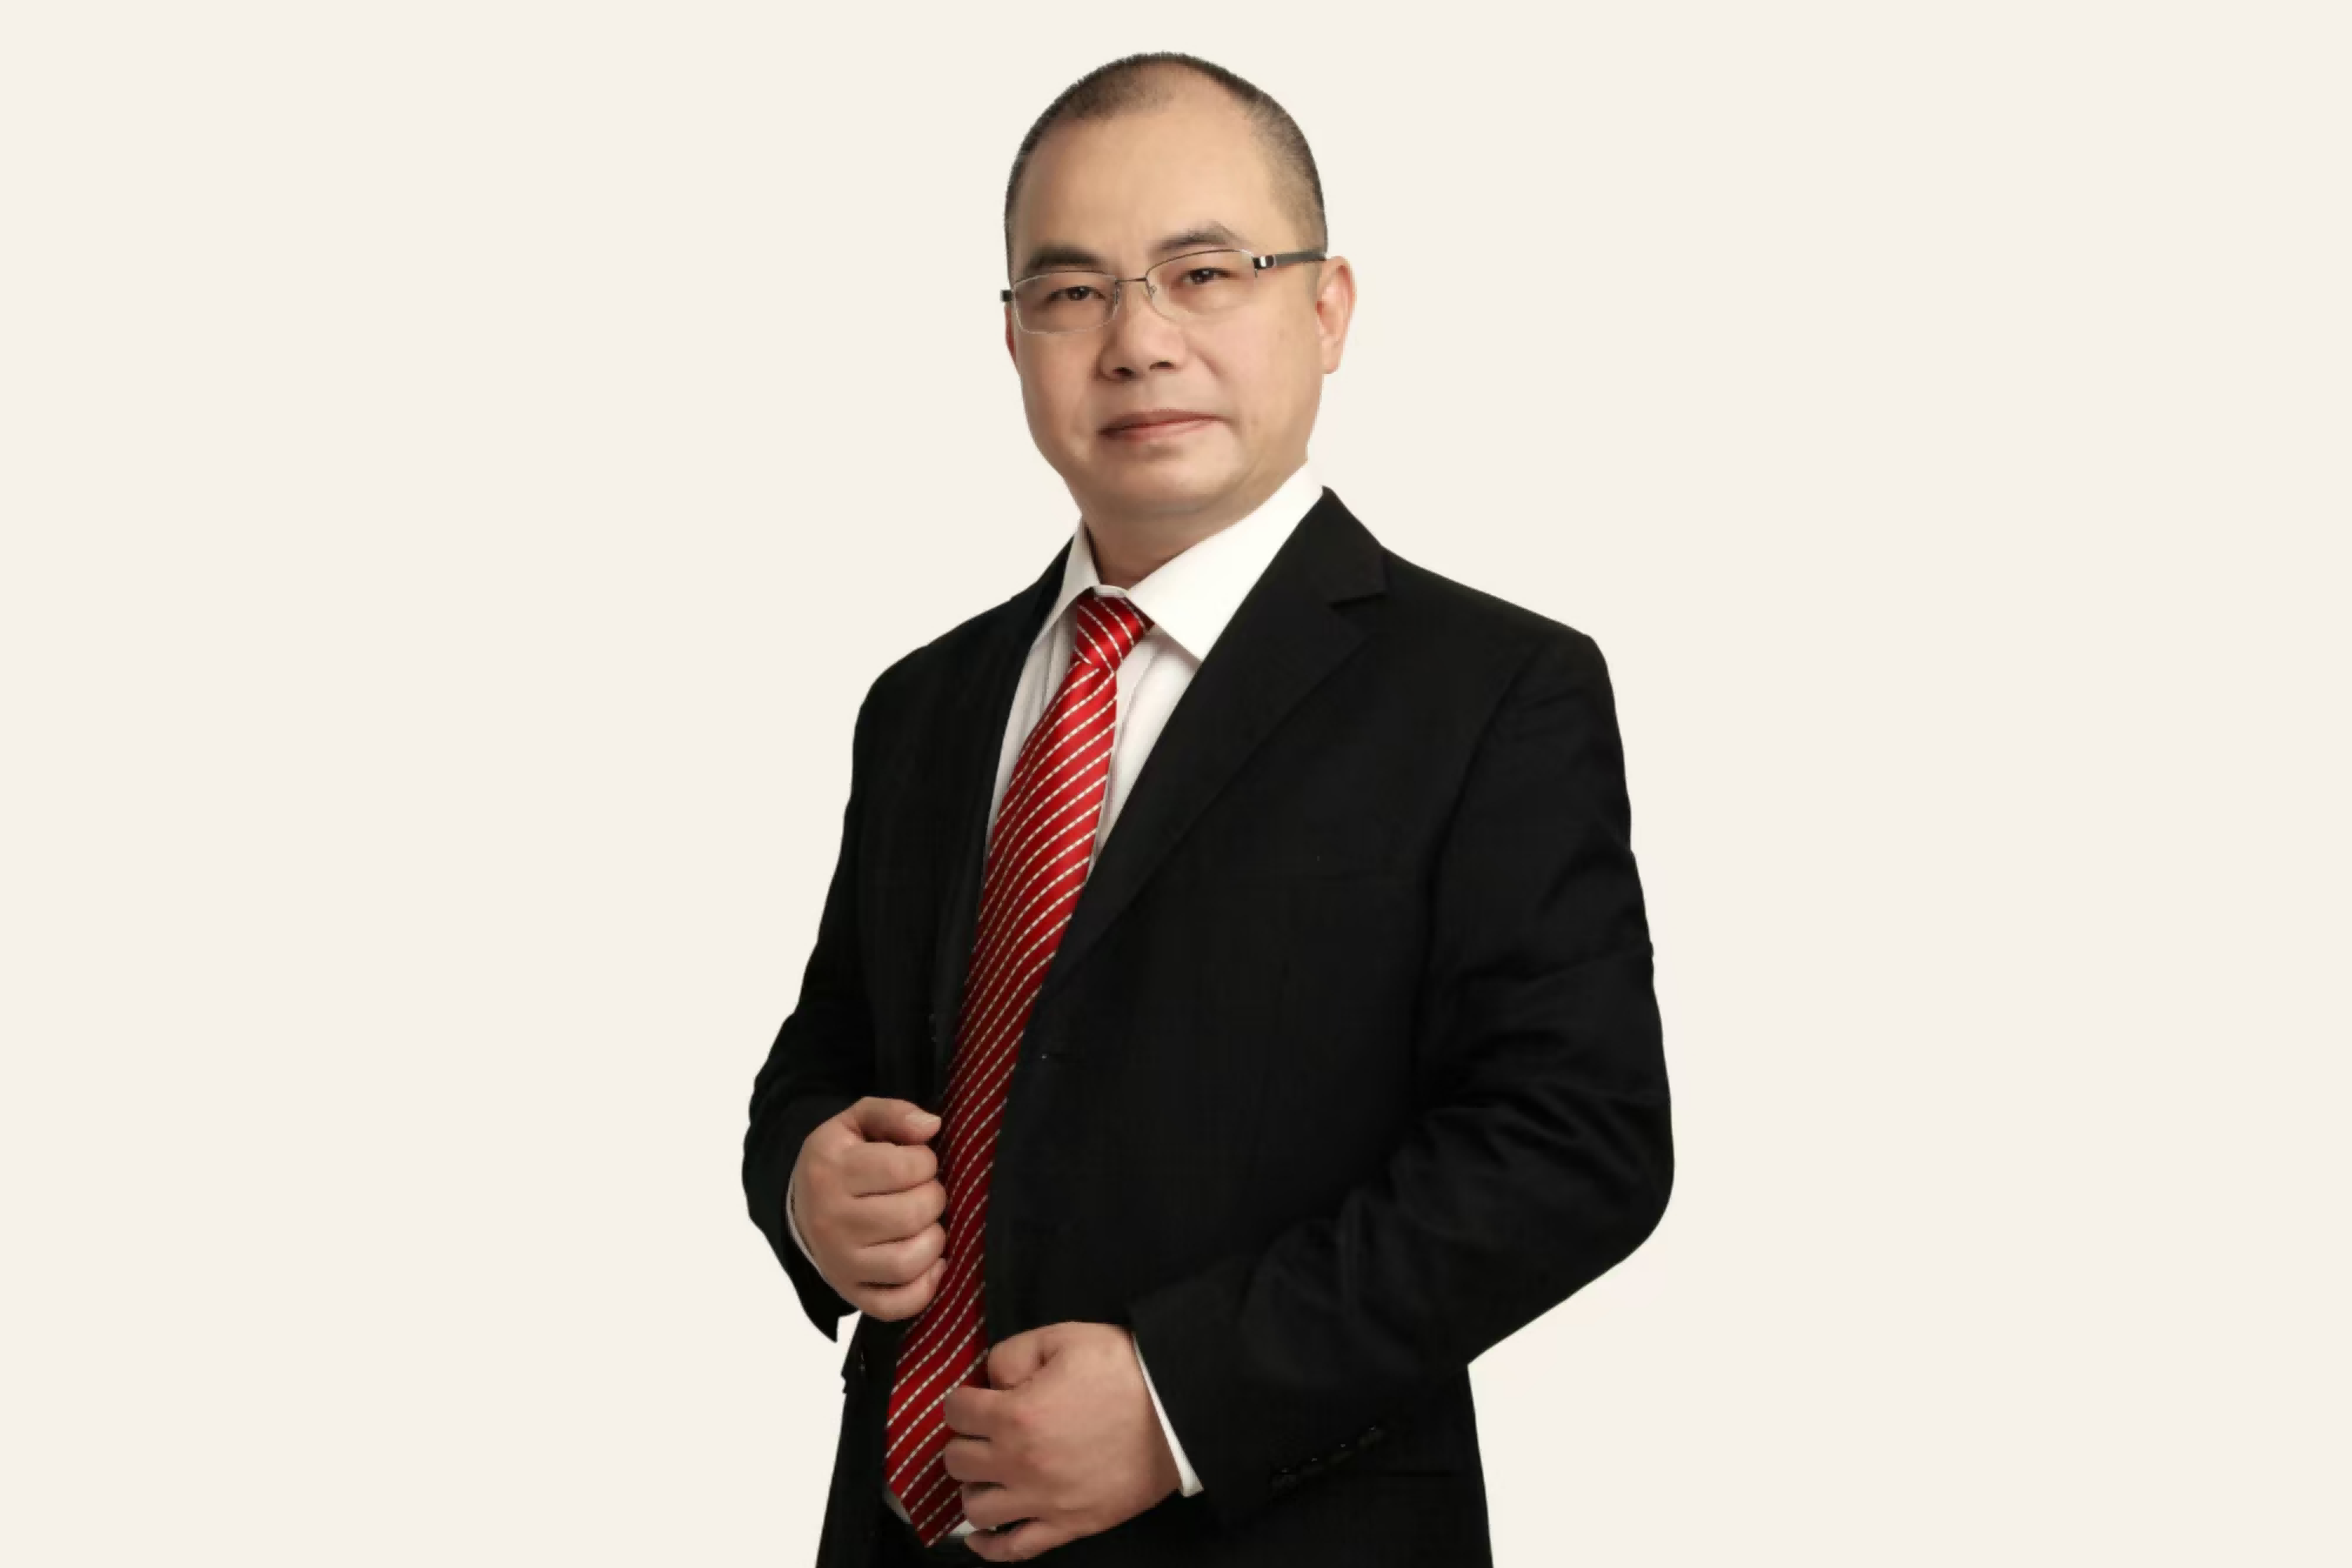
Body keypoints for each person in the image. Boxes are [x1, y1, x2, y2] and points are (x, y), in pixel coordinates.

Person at [742, 51, 1672, 1567]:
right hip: (898, 1533)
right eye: (1073, 291)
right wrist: (804, 1177)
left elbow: (1574, 1146)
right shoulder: (924, 704)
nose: (1137, 342)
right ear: (1013, 336)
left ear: (1327, 308)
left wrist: (1182, 1400)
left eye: (1205, 272)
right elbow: (830, 1050)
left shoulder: (1494, 693)